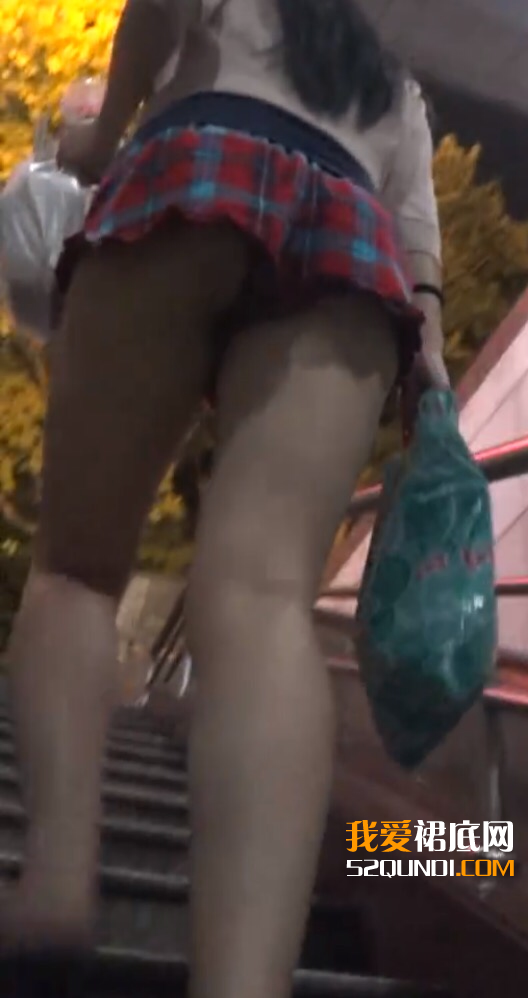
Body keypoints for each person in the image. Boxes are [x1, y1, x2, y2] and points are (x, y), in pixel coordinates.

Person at [4, 1, 447, 995]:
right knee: (264, 600)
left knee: (77, 570)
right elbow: (421, 260)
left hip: (197, 166)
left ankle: (59, 885)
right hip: (351, 244)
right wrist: (429, 366)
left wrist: (101, 135)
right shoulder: (397, 88)